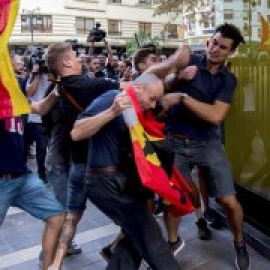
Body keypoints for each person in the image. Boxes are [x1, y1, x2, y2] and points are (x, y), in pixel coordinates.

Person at [69, 45, 190, 269]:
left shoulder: (136, 107)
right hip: (104, 181)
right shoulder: (113, 98)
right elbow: (76, 132)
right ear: (139, 88)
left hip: (119, 182)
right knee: (150, 236)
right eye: (152, 98)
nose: (153, 104)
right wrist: (111, 112)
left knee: (136, 237)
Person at [161, 23, 249, 270]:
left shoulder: (228, 80)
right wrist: (177, 77)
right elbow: (162, 86)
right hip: (175, 141)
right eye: (213, 42)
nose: (215, 49)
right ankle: (172, 242)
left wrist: (183, 97)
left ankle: (239, 242)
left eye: (223, 47)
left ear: (230, 53)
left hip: (207, 143)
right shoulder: (188, 61)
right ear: (208, 41)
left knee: (229, 201)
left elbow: (215, 116)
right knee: (172, 198)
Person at [43, 41, 120, 267]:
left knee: (71, 215)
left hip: (77, 164)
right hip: (99, 166)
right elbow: (131, 85)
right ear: (66, 62)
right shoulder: (88, 86)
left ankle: (55, 263)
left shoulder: (59, 89)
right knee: (134, 212)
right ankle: (117, 247)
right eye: (75, 56)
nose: (80, 59)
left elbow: (41, 112)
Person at [0, 91, 65, 270]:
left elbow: (40, 107)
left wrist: (57, 91)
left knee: (57, 215)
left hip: (23, 177)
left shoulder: (15, 98)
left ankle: (47, 266)